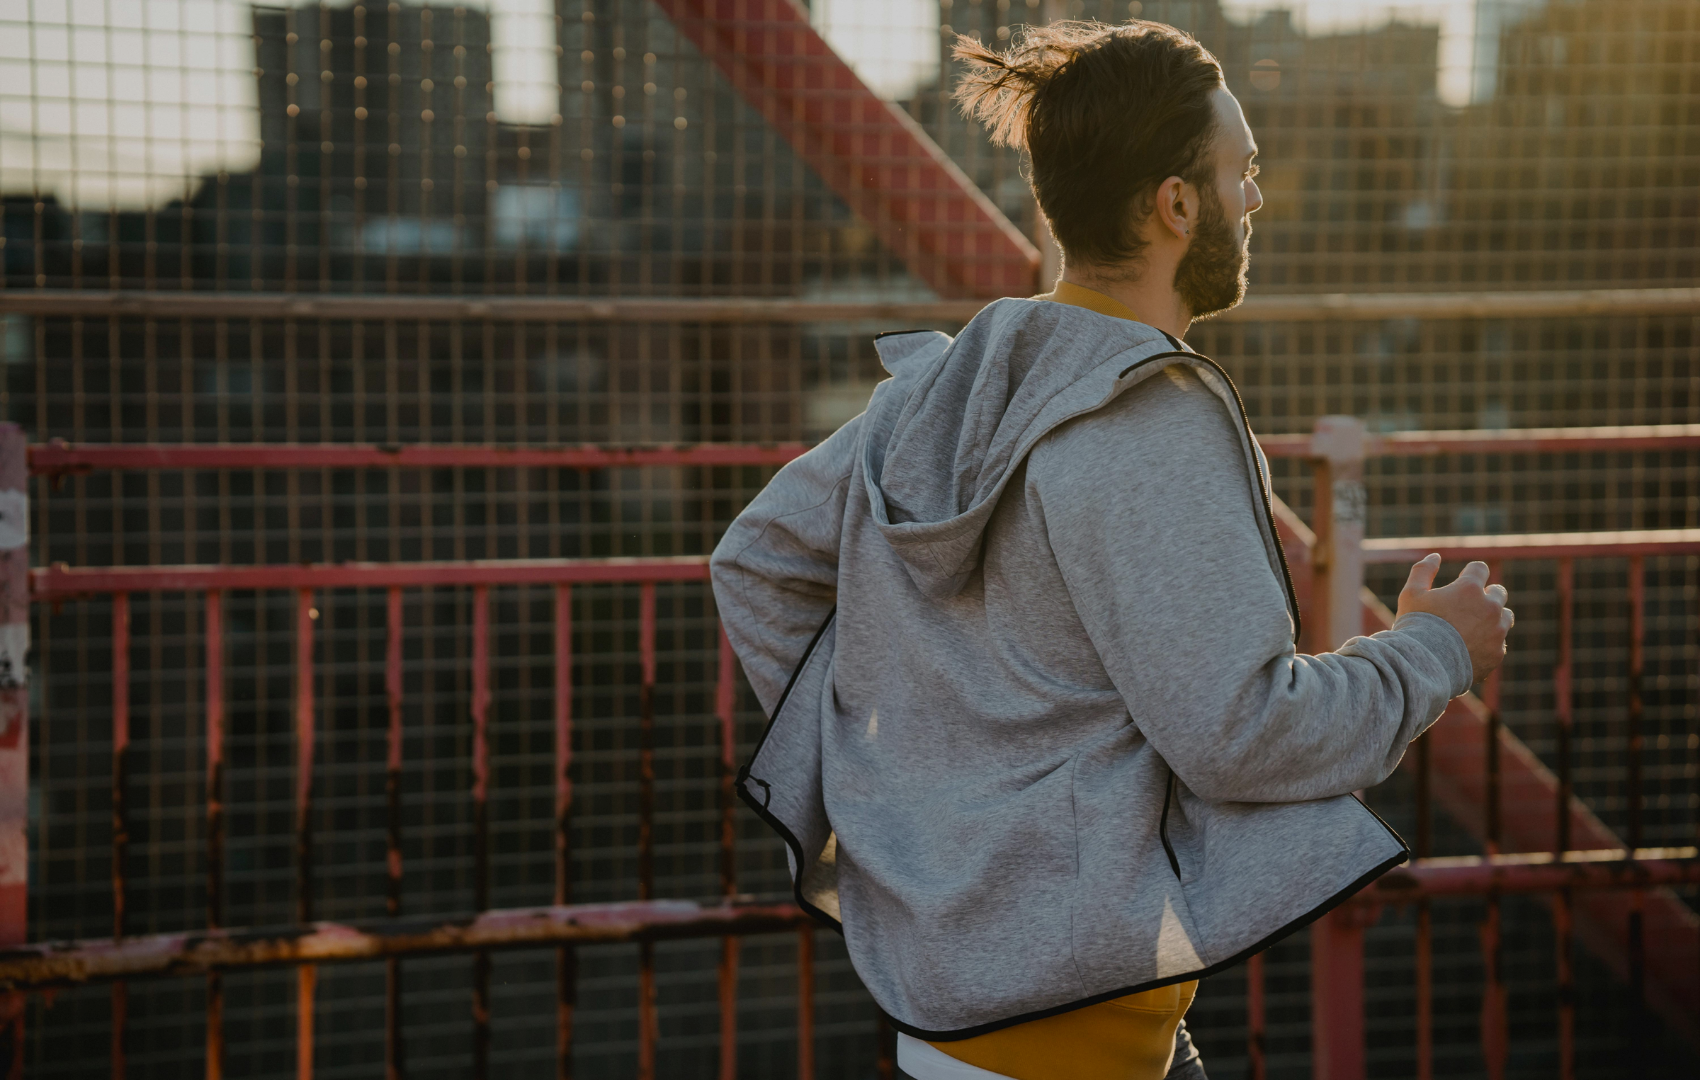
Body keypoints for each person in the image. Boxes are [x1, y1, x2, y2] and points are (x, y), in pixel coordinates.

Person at [710, 19, 1512, 1080]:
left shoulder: (953, 382)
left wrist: (900, 786)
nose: (1254, 201)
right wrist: (1431, 652)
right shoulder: (1151, 414)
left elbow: (755, 560)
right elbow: (1241, 733)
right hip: (1070, 1037)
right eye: (1242, 173)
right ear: (1176, 204)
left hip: (955, 1022)